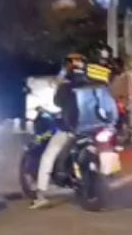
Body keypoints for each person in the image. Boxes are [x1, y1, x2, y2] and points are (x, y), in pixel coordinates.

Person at [29, 53, 89, 209]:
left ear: (68, 65)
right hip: (92, 128)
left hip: (71, 128)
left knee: (48, 155)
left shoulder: (66, 83)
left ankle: (41, 195)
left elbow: (57, 101)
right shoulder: (91, 82)